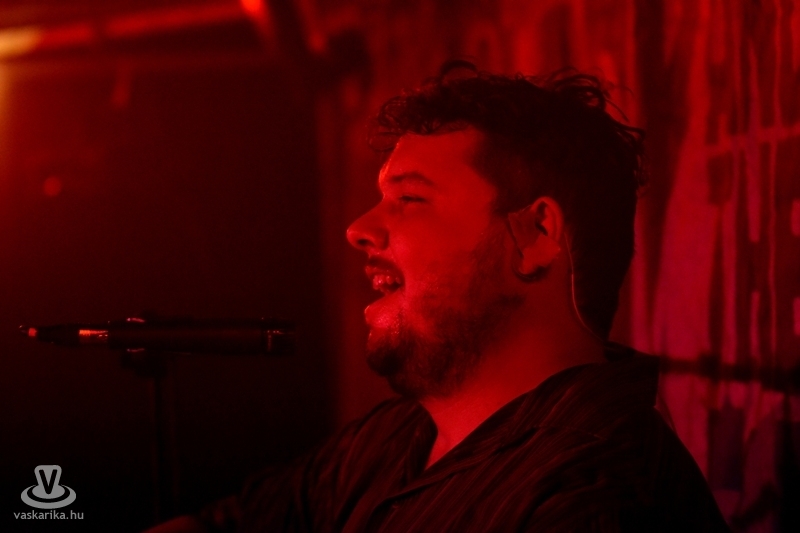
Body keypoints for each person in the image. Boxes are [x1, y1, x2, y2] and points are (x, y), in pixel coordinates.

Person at [148, 62, 730, 532]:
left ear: (535, 236)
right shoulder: (395, 438)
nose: (359, 229)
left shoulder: (594, 499)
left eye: (410, 199)